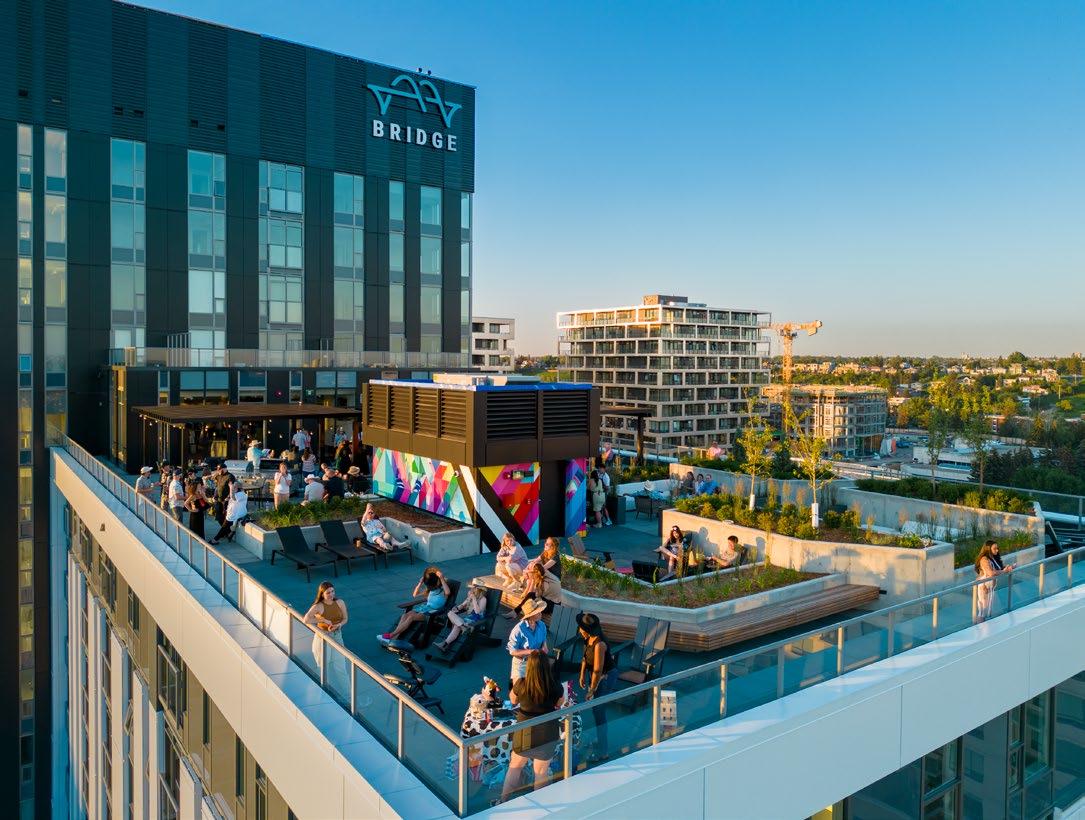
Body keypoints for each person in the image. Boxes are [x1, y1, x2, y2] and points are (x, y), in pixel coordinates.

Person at [500, 651, 563, 802]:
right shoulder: (555, 685)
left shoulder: (521, 683)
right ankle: (539, 807)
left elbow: (513, 700)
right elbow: (559, 703)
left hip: (525, 732)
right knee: (541, 773)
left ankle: (502, 801)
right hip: (547, 732)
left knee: (515, 767)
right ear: (546, 666)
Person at [576, 613, 617, 760]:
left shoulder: (599, 644)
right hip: (595, 676)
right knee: (595, 710)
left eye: (581, 627)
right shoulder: (588, 639)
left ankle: (603, 751)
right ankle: (600, 741)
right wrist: (582, 675)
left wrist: (591, 690)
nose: (579, 630)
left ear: (587, 629)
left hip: (605, 677)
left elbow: (598, 670)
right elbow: (584, 658)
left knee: (599, 712)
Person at [378, 567, 450, 643]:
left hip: (431, 613)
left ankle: (391, 635)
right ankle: (394, 637)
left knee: (411, 617)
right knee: (405, 615)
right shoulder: (431, 590)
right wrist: (420, 583)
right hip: (424, 609)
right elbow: (414, 594)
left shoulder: (443, 592)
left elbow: (448, 592)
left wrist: (441, 578)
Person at [303, 581, 348, 671]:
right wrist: (323, 620)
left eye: (332, 591)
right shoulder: (318, 606)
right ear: (322, 594)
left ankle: (343, 681)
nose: (331, 594)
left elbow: (345, 618)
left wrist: (339, 625)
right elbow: (306, 620)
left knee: (341, 666)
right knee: (324, 666)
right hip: (323, 637)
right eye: (328, 593)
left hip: (337, 635)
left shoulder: (340, 602)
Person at [433, 581, 489, 653]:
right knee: (450, 613)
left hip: (476, 622)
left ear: (479, 590)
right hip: (467, 620)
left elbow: (477, 612)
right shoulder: (470, 595)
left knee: (457, 626)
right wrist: (457, 608)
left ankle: (444, 644)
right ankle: (463, 628)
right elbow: (462, 605)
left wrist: (474, 599)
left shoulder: (483, 599)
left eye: (474, 588)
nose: (471, 589)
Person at [506, 598, 548, 683]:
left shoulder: (542, 625)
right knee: (518, 689)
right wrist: (531, 651)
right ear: (531, 615)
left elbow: (544, 639)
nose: (541, 613)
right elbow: (512, 651)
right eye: (538, 612)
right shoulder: (519, 629)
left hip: (536, 662)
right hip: (521, 664)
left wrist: (544, 646)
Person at [975, 540, 1012, 622]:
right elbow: (991, 573)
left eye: (997, 548)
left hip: (991, 588)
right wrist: (1004, 571)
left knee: (989, 610)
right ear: (988, 549)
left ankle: (987, 626)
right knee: (983, 611)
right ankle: (979, 627)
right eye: (995, 548)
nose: (997, 550)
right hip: (984, 588)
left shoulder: (992, 558)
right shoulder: (984, 559)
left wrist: (1009, 568)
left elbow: (998, 569)